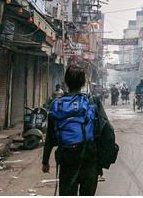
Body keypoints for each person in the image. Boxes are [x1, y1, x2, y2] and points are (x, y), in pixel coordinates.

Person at [42, 65, 113, 196]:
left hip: (66, 157)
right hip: (89, 157)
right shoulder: (92, 101)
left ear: (66, 82)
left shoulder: (57, 104)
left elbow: (50, 137)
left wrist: (45, 161)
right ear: (83, 82)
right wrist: (103, 161)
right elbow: (107, 132)